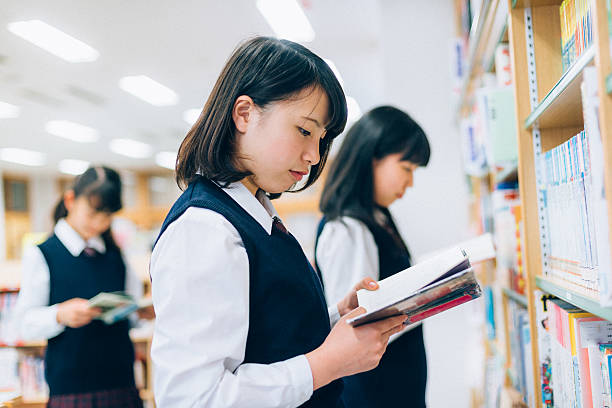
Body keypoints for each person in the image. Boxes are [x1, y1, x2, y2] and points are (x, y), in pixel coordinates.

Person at [150, 36, 408, 407]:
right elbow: (194, 398)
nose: (314, 156)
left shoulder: (255, 214)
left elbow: (268, 338)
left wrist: (334, 316)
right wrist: (325, 364)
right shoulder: (204, 229)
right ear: (244, 114)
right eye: (304, 130)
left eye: (322, 139)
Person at [315, 105, 431, 408]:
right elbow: (355, 329)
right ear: (372, 158)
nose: (410, 183)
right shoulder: (348, 229)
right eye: (406, 169)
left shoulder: (378, 216)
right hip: (373, 395)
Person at [14, 166, 148, 408]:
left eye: (106, 217)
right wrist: (59, 315)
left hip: (121, 384)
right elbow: (23, 324)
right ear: (70, 200)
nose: (99, 223)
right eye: (93, 213)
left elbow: (132, 310)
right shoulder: (44, 254)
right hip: (72, 389)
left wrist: (142, 312)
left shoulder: (115, 254)